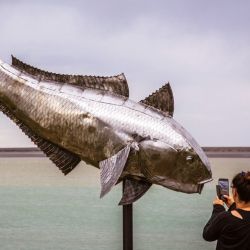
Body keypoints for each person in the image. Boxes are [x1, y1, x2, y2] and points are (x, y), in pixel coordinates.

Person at [203, 171, 250, 250]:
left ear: (235, 192)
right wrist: (233, 206)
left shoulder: (225, 218)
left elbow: (207, 235)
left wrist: (218, 208)